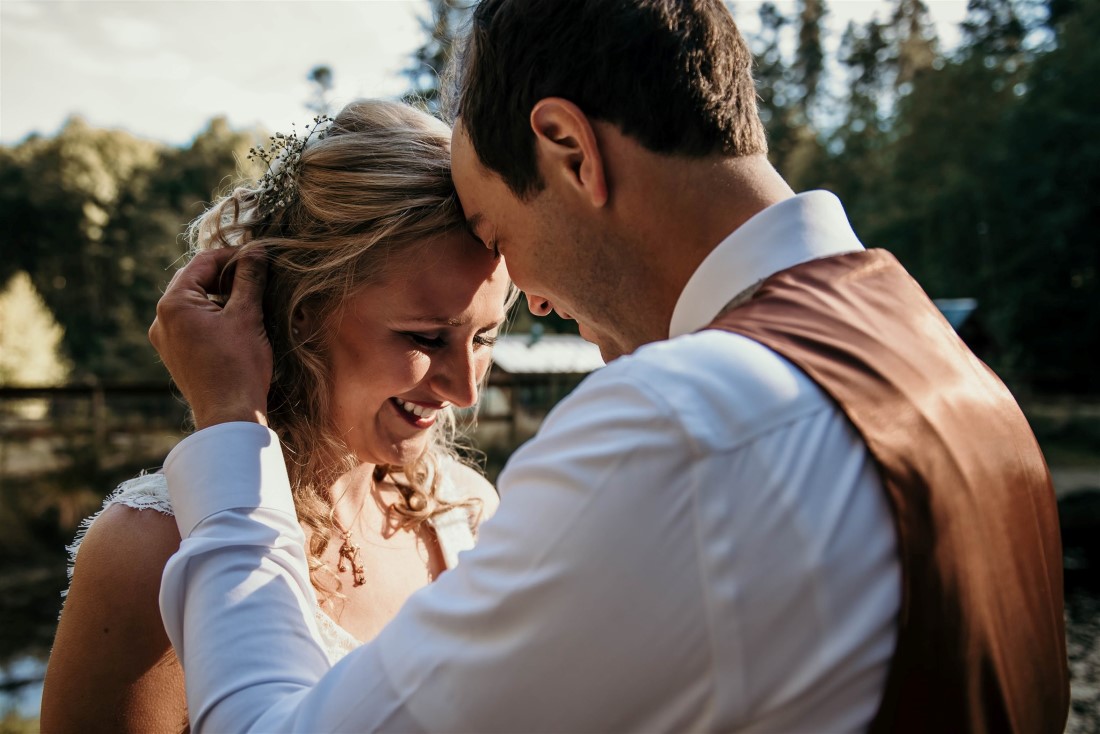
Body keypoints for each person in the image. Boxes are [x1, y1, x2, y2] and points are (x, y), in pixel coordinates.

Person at [148, 1, 1070, 732]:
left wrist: (231, 426)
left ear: (570, 150)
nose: (533, 298)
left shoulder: (684, 427)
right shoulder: (936, 359)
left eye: (494, 229)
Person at [40, 98, 511, 733]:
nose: (465, 392)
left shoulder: (469, 513)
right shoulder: (148, 551)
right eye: (425, 339)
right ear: (303, 312)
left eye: (484, 338)